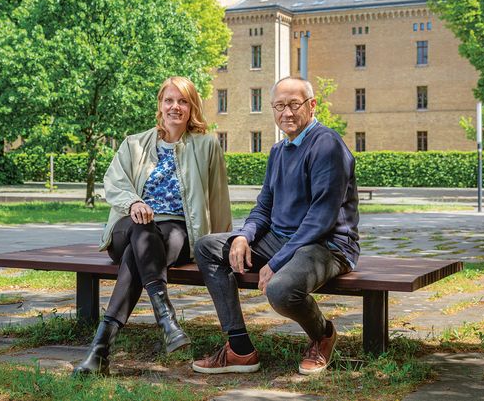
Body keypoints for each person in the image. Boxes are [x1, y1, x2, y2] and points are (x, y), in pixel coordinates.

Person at [192, 77, 359, 376]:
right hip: (282, 239)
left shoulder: (327, 145)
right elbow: (264, 207)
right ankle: (240, 348)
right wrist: (244, 235)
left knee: (280, 290)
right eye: (280, 106)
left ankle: (323, 335)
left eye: (294, 104)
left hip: (328, 245)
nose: (287, 113)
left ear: (311, 105)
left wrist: (278, 262)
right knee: (208, 247)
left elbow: (321, 219)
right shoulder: (278, 151)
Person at [73, 76, 232, 376]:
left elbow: (218, 199)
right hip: (128, 225)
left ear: (192, 107)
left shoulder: (207, 145)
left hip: (177, 233)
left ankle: (100, 351)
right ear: (160, 106)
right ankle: (166, 319)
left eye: (183, 101)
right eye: (169, 100)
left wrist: (223, 244)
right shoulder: (134, 144)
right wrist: (134, 203)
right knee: (140, 229)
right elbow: (114, 182)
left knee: (140, 250)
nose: (176, 107)